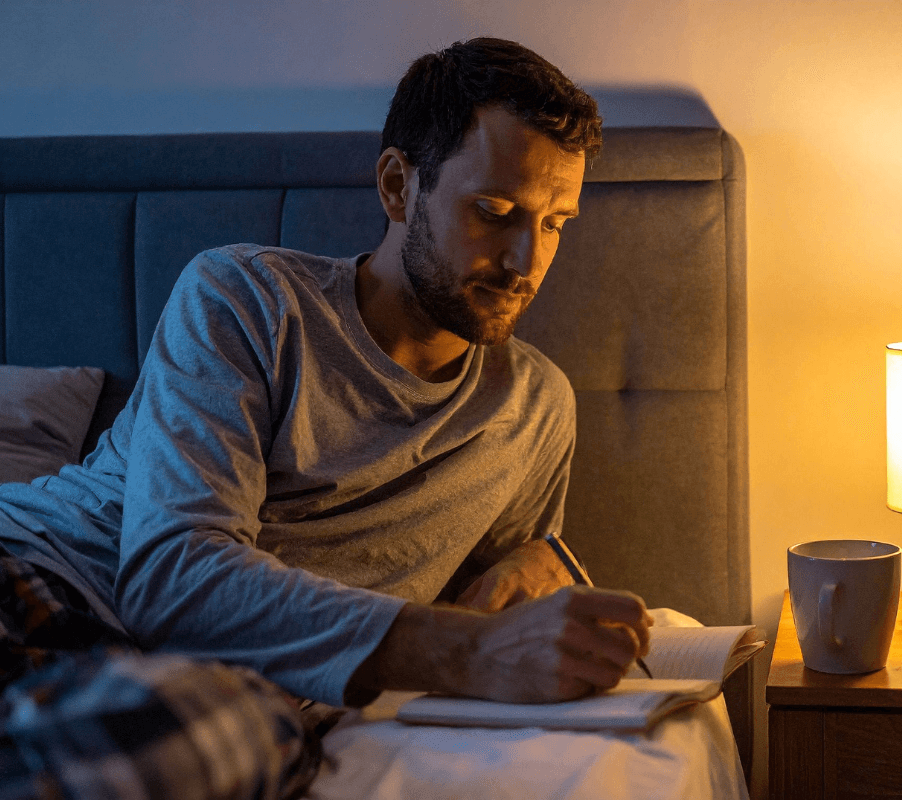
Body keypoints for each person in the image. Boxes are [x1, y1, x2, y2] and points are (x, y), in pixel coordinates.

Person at [0, 35, 651, 731]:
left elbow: (491, 616)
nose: (527, 261)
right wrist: (474, 648)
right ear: (399, 186)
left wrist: (523, 590)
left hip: (222, 689)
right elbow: (174, 580)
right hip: (49, 578)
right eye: (494, 212)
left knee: (195, 754)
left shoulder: (535, 409)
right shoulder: (247, 299)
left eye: (555, 224)